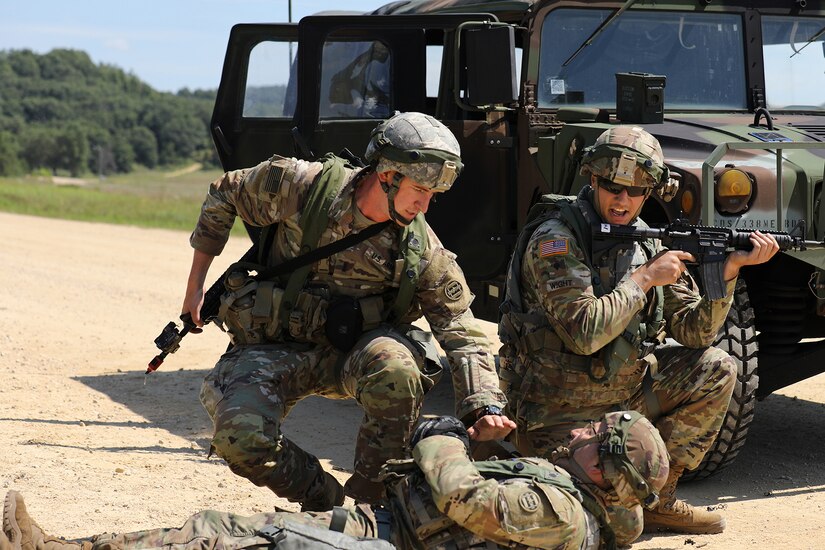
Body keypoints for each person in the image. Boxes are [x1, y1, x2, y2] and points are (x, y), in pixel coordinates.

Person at [182, 111, 515, 511]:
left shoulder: (421, 247)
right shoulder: (304, 186)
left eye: (433, 195)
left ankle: (372, 506)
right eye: (420, 190)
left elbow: (460, 329)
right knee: (239, 439)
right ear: (388, 175)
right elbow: (225, 192)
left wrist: (484, 404)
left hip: (354, 358)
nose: (426, 204)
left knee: (399, 367)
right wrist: (196, 286)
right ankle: (326, 503)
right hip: (277, 347)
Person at [498, 125, 780, 535]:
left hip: (622, 391)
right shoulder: (557, 240)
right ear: (593, 178)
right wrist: (644, 279)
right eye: (613, 187)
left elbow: (695, 334)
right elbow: (583, 332)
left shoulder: (647, 240)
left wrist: (729, 273)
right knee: (616, 527)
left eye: (636, 191)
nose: (623, 200)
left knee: (716, 366)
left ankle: (661, 500)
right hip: (558, 409)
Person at [1, 411, 669, 550]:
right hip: (391, 527)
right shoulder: (596, 508)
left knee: (223, 536)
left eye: (593, 434)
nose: (579, 429)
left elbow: (464, 498)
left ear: (598, 469)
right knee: (225, 528)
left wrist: (442, 435)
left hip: (388, 538)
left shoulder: (558, 509)